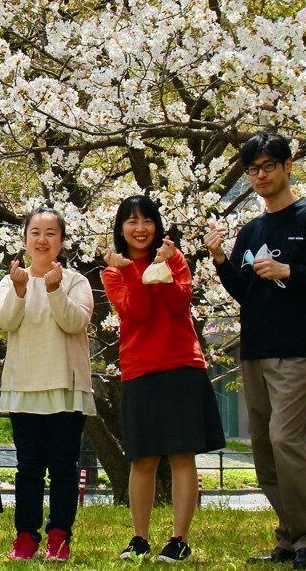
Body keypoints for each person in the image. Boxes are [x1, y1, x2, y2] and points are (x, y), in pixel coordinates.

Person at [203, 134, 306, 570]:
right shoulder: (251, 230)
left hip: (297, 348)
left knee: (285, 441)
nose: (260, 176)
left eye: (268, 166)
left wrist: (290, 270)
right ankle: (289, 536)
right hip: (255, 349)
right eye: (252, 170)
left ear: (288, 166)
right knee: (264, 451)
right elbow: (243, 292)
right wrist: (218, 258)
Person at [104, 195, 224, 563]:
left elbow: (178, 303)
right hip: (140, 367)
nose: (140, 229)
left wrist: (166, 266)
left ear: (156, 225)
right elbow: (136, 313)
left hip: (181, 363)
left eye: (147, 221)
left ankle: (179, 539)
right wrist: (130, 270)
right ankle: (139, 538)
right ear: (121, 228)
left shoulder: (175, 258)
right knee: (143, 458)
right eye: (132, 221)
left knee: (182, 455)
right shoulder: (112, 271)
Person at [0, 208, 94, 562]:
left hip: (65, 385)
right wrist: (20, 290)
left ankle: (59, 536)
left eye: (50, 233)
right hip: (25, 385)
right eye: (35, 232)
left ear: (61, 241)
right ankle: (25, 536)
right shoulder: (11, 281)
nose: (42, 239)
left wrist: (54, 290)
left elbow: (74, 322)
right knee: (29, 467)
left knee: (64, 466)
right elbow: (4, 320)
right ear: (24, 239)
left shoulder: (75, 282)